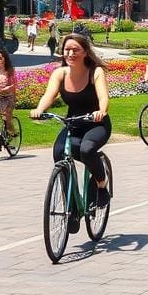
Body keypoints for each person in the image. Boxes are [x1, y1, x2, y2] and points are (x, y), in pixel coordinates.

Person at [30, 33, 111, 211]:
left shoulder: (95, 72)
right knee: (59, 152)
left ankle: (101, 186)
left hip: (96, 124)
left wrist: (101, 112)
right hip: (73, 123)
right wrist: (39, 109)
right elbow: (49, 95)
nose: (70, 53)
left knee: (87, 150)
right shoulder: (60, 73)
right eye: (67, 50)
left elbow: (103, 97)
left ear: (85, 53)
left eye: (75, 50)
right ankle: (70, 203)